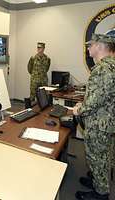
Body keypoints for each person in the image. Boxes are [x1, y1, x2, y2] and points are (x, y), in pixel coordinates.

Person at [73, 34, 115, 200]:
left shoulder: (102, 69)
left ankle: (100, 193)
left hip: (99, 123)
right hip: (107, 120)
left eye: (90, 45)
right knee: (105, 156)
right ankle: (99, 181)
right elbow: (103, 96)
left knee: (98, 158)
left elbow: (94, 101)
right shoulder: (111, 65)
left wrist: (79, 109)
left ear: (100, 46)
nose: (88, 48)